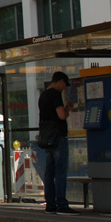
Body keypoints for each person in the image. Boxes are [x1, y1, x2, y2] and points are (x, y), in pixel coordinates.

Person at [36, 71, 78, 214]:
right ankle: (62, 204)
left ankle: (50, 204)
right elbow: (61, 115)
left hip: (47, 139)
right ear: (60, 82)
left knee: (49, 172)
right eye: (64, 85)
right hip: (58, 137)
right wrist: (68, 109)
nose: (64, 88)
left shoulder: (43, 96)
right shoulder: (55, 95)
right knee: (60, 171)